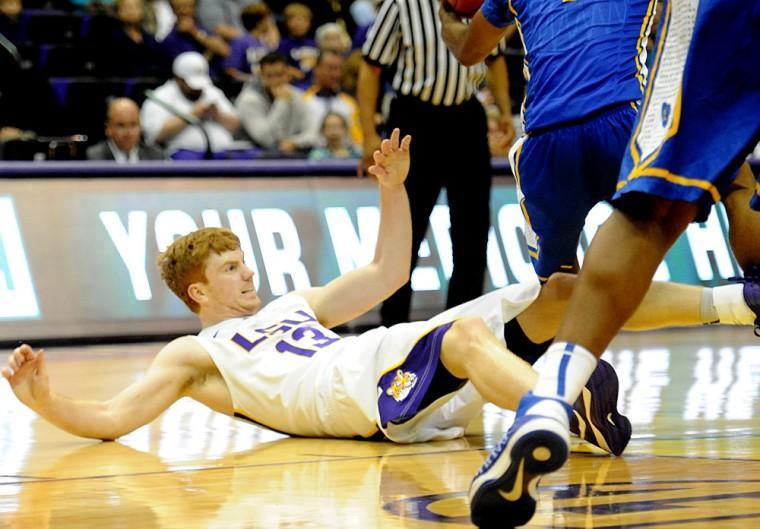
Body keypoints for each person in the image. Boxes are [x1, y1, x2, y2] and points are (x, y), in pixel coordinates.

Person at [3, 127, 759, 450]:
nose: (248, 272)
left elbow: (388, 274)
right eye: (231, 267)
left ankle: (740, 302)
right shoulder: (196, 352)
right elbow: (110, 417)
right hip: (355, 397)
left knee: (561, 292)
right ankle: (554, 407)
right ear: (198, 292)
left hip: (384, 363)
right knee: (463, 337)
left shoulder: (292, 305)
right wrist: (44, 399)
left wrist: (392, 190)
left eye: (243, 260)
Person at [445, 0, 760, 526]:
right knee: (737, 178)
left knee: (561, 289)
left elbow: (470, 51)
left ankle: (560, 400)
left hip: (547, 140)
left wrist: (456, 8)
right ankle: (751, 291)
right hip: (624, 113)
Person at [440, 0, 674, 283]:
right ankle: (738, 299)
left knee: (557, 285)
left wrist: (448, 14)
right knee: (632, 272)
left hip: (548, 134)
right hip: (624, 119)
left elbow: (470, 50)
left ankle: (556, 334)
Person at [358, 0, 513, 326]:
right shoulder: (400, 1)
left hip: (465, 120)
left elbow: (494, 59)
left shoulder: (479, 1)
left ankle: (459, 332)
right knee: (405, 235)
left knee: (472, 234)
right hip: (414, 124)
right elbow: (371, 69)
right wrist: (367, 134)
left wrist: (503, 112)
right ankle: (393, 332)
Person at [140, 51, 241, 157]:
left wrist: (218, 115)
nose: (198, 90)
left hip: (223, 153)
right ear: (178, 79)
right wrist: (191, 115)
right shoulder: (160, 97)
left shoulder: (212, 91)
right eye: (192, 86)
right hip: (183, 157)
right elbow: (154, 137)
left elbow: (237, 126)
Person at [235, 50, 316, 154]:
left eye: (279, 75)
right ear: (261, 75)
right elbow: (267, 140)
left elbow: (313, 133)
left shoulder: (297, 95)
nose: (275, 81)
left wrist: (295, 142)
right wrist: (281, 102)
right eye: (269, 76)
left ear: (288, 74)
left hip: (293, 153)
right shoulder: (248, 100)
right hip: (256, 157)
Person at [86, 97, 165, 162]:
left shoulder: (155, 156)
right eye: (121, 125)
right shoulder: (95, 156)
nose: (128, 132)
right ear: (108, 128)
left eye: (133, 125)